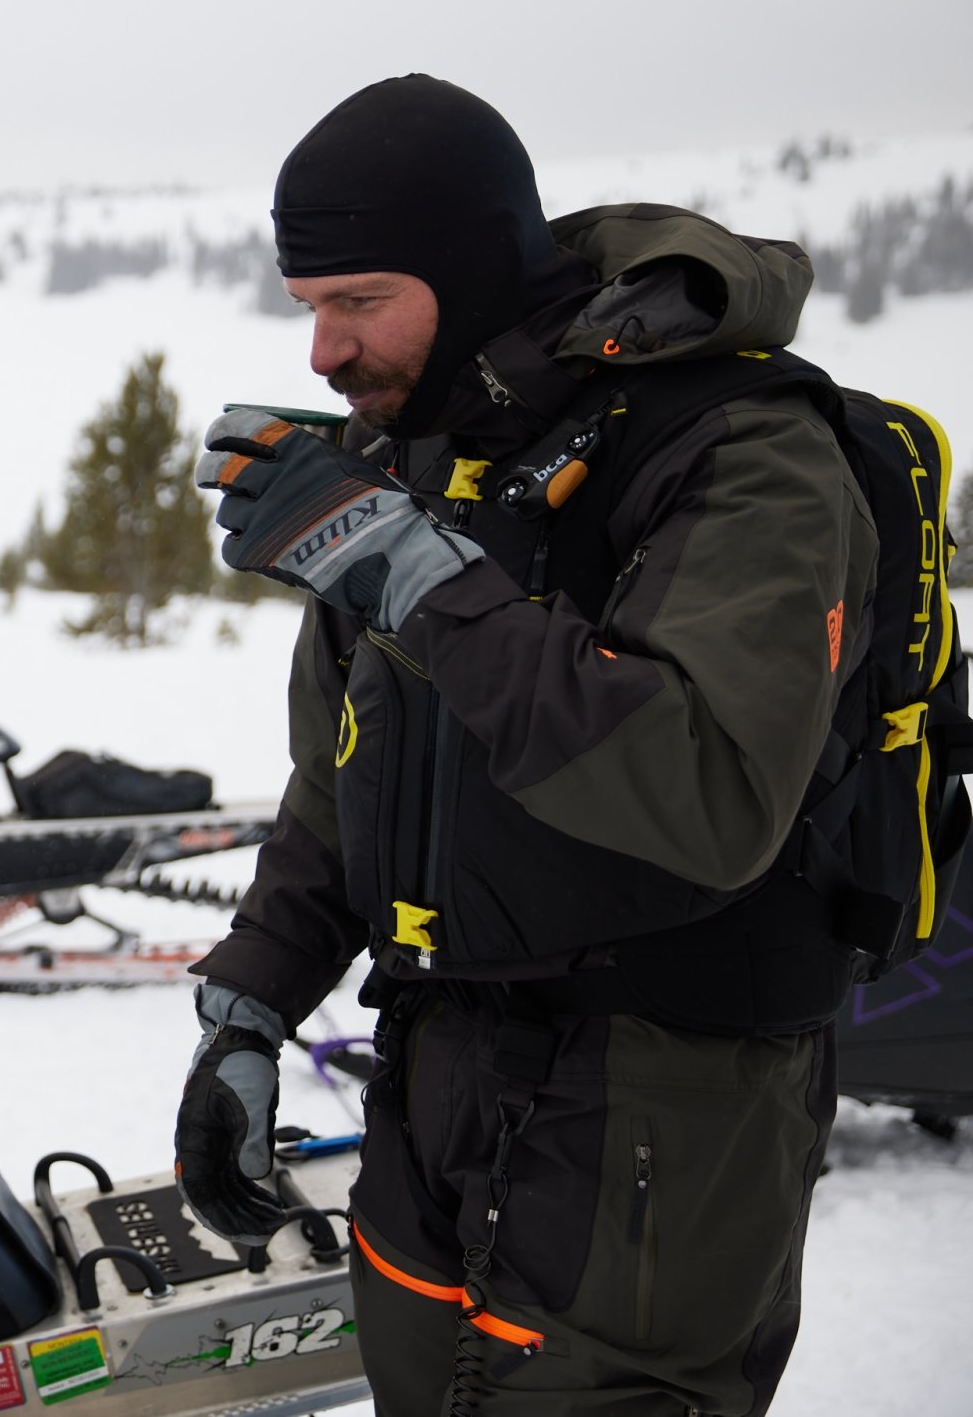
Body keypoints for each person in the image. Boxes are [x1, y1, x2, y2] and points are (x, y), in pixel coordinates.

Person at [175, 76, 875, 1414]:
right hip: (439, 1074)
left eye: (359, 301)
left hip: (658, 1111)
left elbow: (712, 792)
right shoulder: (421, 461)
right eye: (306, 306)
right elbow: (343, 784)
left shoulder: (742, 453)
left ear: (475, 264)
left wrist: (414, 576)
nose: (322, 353)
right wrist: (251, 1001)